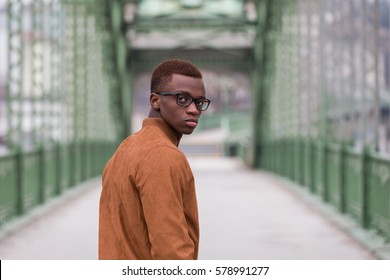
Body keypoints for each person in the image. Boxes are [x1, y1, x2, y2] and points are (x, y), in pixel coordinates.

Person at [98, 59, 210, 260]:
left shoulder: (123, 151)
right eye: (182, 99)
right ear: (155, 100)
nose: (194, 109)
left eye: (199, 102)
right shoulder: (164, 155)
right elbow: (171, 251)